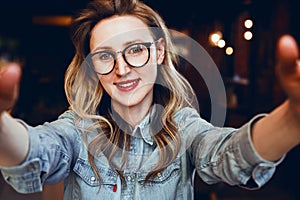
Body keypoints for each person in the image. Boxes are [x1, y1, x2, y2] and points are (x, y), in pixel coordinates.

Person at [0, 0, 300, 199]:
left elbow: (229, 155)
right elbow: (36, 151)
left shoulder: (186, 128)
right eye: (105, 56)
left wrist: (291, 120)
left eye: (134, 50)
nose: (121, 69)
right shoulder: (76, 130)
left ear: (157, 52)